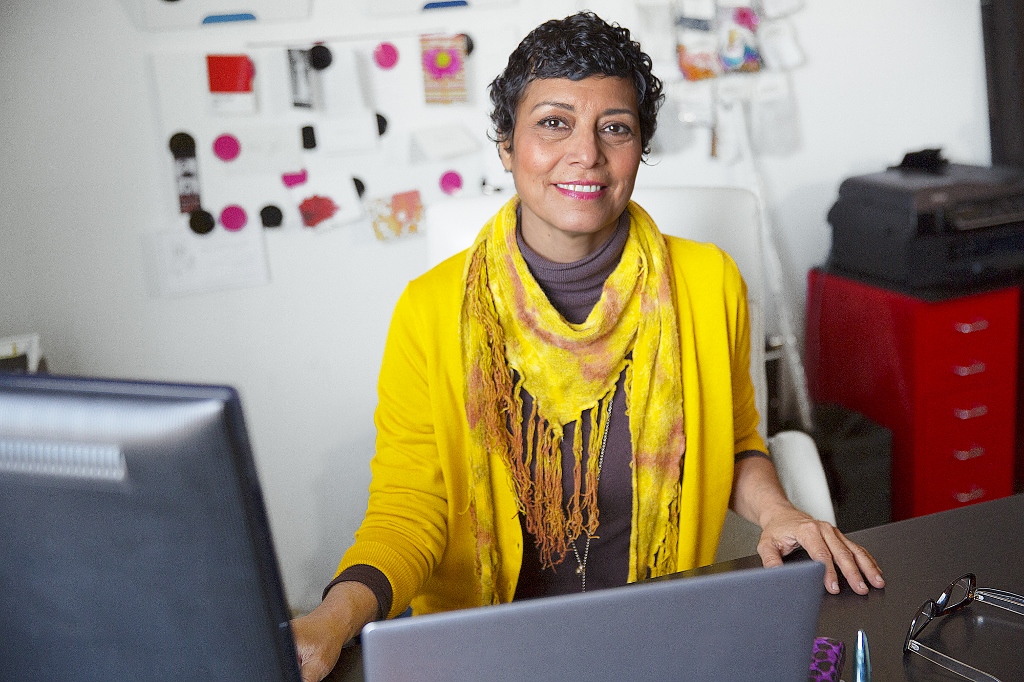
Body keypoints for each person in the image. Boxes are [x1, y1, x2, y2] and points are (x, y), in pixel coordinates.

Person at [291, 12, 884, 682]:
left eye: (616, 128)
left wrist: (779, 512)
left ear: (639, 148)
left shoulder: (709, 282)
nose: (587, 153)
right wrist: (335, 617)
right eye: (552, 122)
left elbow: (738, 441)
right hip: (492, 645)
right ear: (506, 145)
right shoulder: (430, 309)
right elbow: (409, 508)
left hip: (664, 628)